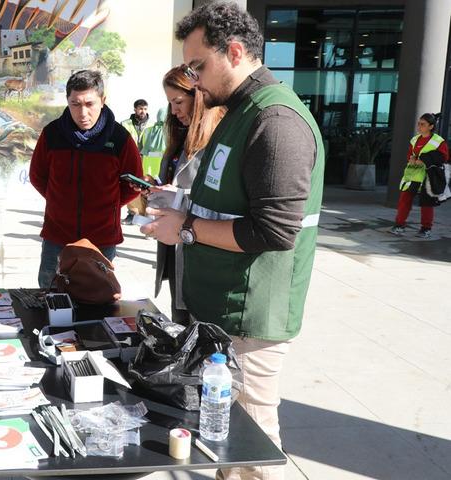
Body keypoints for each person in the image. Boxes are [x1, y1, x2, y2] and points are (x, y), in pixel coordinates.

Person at [141, 3, 325, 479]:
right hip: (224, 310)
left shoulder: (277, 120)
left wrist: (185, 228)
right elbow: (229, 196)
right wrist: (179, 199)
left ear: (236, 52)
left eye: (199, 66)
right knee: (228, 444)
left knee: (252, 446)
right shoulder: (241, 111)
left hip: (250, 316)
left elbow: (275, 230)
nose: (194, 80)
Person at [30, 69, 142, 289]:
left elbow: (133, 183)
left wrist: (107, 205)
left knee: (98, 300)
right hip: (57, 236)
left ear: (103, 100)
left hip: (101, 238)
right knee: (50, 297)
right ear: (67, 101)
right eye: (75, 104)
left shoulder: (120, 138)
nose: (83, 113)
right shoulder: (52, 134)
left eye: (89, 104)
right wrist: (59, 201)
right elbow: (38, 176)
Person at [147, 65, 224, 324]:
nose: (173, 110)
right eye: (169, 103)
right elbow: (176, 182)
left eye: (178, 101)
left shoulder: (219, 139)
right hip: (176, 248)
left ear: (199, 97)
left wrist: (179, 194)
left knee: (196, 329)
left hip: (200, 252)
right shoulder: (180, 135)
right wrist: (156, 189)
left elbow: (219, 198)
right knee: (179, 321)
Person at [391, 112, 448, 238]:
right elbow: (409, 154)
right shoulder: (414, 139)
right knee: (404, 200)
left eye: (422, 124)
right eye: (419, 124)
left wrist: (424, 159)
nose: (419, 126)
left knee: (427, 203)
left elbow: (443, 157)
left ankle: (426, 229)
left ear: (431, 126)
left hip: (428, 176)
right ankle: (399, 225)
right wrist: (411, 158)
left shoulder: (439, 141)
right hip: (412, 174)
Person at [121, 98, 150, 224]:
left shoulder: (153, 124)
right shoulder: (125, 124)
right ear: (135, 109)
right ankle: (132, 213)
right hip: (131, 158)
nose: (142, 111)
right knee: (131, 185)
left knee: (145, 188)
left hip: (148, 159)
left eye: (144, 109)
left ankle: (145, 214)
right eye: (140, 109)